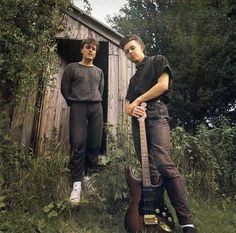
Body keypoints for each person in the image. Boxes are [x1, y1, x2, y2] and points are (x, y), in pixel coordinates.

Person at [120, 34, 196, 233]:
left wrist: (138, 101)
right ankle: (156, 215)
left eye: (132, 48)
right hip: (138, 122)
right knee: (149, 170)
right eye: (127, 51)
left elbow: (163, 85)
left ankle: (187, 222)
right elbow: (127, 106)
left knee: (163, 162)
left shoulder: (158, 61)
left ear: (142, 46)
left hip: (156, 114)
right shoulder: (133, 79)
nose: (130, 53)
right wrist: (132, 108)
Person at [61, 37, 104, 205]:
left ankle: (89, 178)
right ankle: (76, 183)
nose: (91, 50)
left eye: (94, 48)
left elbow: (100, 90)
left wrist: (94, 101)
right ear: (82, 49)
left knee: (95, 143)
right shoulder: (72, 68)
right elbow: (65, 88)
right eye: (88, 47)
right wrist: (74, 102)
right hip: (78, 107)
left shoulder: (99, 71)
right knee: (78, 143)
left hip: (96, 108)